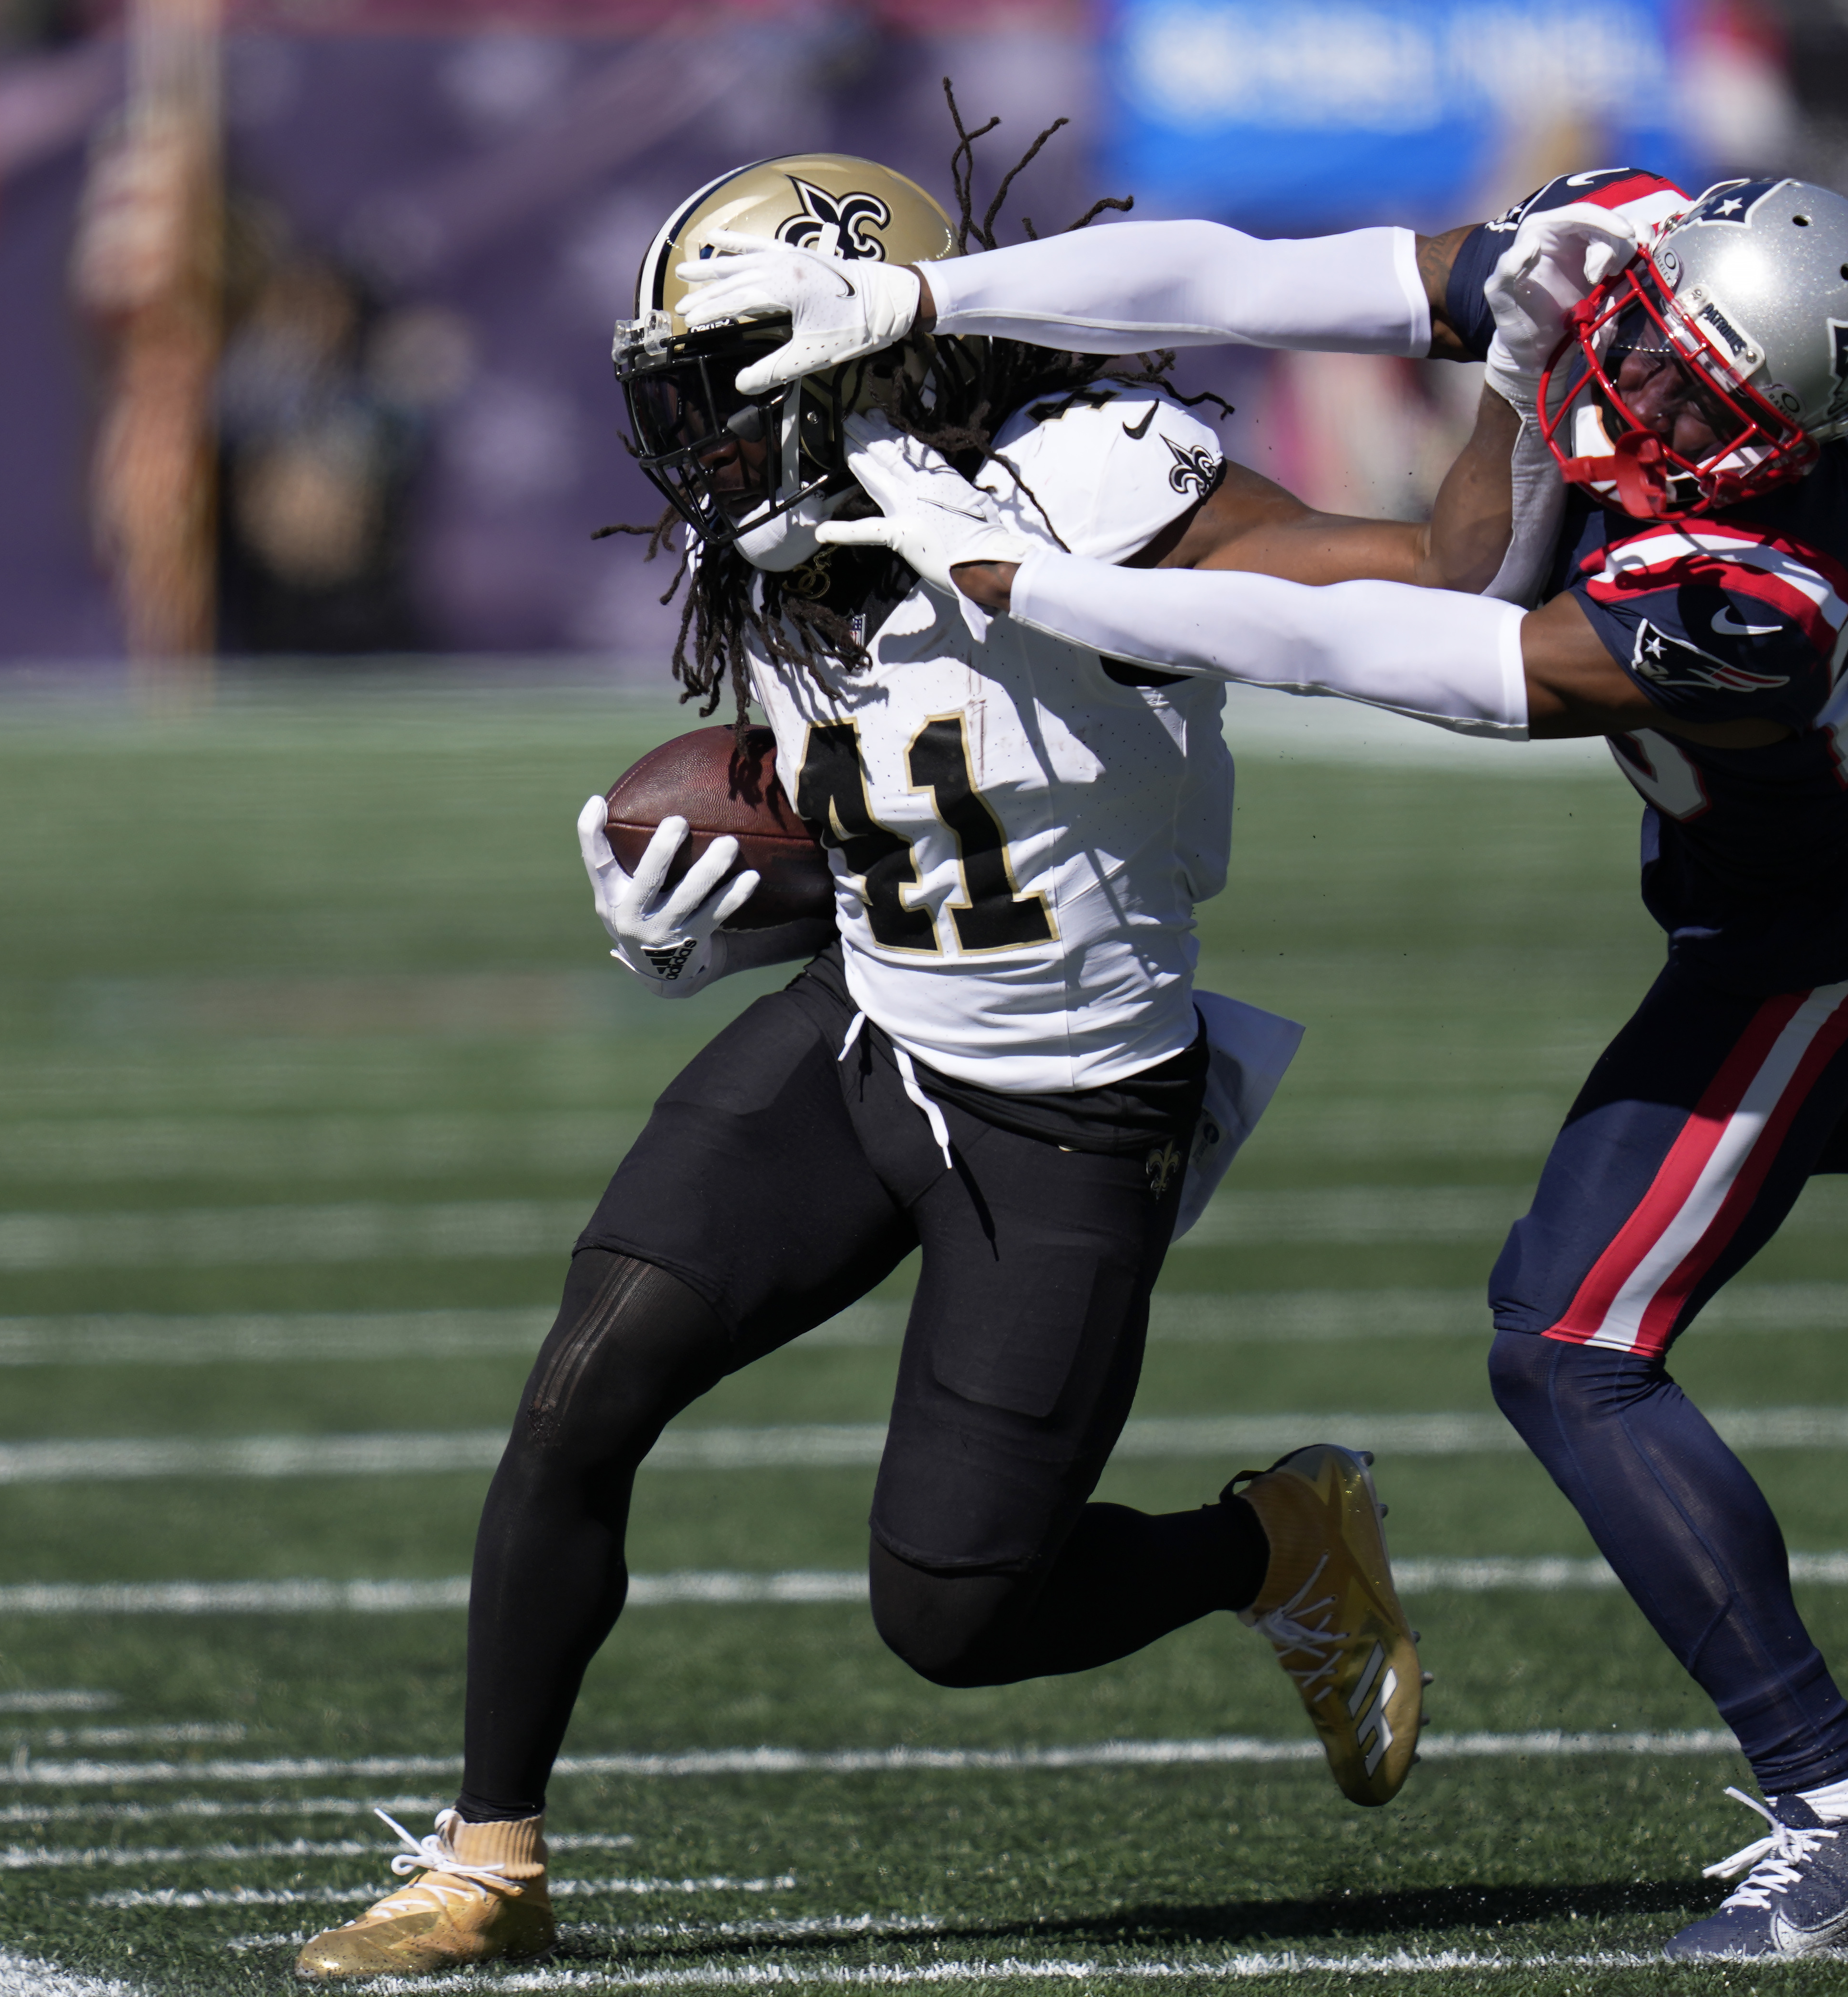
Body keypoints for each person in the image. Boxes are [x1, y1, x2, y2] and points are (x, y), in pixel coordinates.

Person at [710, 166, 1848, 1959]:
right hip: (1822, 840)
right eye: (1651, 358)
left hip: (1832, 906)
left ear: (1780, 436)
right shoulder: (1622, 242)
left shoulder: (1755, 592)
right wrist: (934, 295)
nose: (1646, 403)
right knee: (1820, 1109)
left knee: (1572, 1338)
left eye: (1698, 405)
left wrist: (1019, 577)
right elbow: (1243, 271)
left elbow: (1391, 646)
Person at [290, 150, 1428, 1981]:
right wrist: (708, 921)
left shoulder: (1094, 482)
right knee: (582, 1391)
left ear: (861, 357)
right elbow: (900, 810)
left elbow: (1394, 594)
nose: (695, 433)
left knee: (957, 1609)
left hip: (1062, 1110)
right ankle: (487, 1857)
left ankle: (1276, 1543)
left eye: (728, 381)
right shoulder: (793, 532)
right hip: (866, 1029)